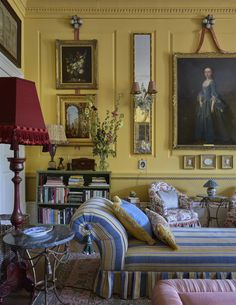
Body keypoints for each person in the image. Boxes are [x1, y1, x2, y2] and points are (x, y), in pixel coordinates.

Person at [195, 67, 230, 144]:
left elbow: (213, 94)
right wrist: (200, 101)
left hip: (210, 103)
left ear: (211, 73)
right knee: (203, 119)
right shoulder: (204, 82)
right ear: (204, 73)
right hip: (204, 103)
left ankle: (210, 138)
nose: (207, 73)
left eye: (209, 72)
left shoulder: (212, 82)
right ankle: (203, 137)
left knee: (209, 120)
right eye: (205, 72)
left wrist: (212, 106)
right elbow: (201, 92)